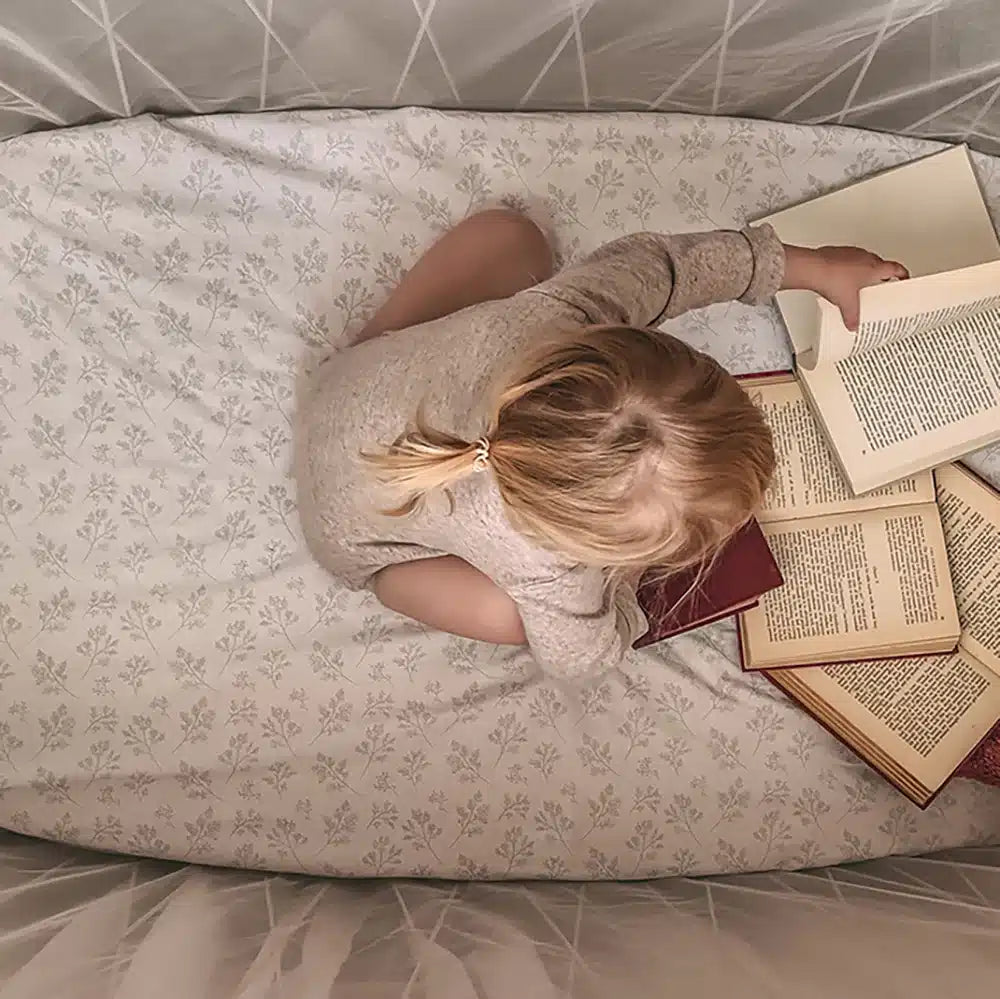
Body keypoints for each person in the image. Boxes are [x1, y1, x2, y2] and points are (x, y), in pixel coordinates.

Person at [295, 209, 906, 680]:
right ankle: (383, 578)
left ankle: (380, 352)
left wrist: (816, 267)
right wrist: (625, 600)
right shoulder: (549, 566)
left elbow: (673, 265)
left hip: (350, 390)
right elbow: (581, 658)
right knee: (510, 617)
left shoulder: (564, 311)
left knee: (513, 236)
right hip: (356, 540)